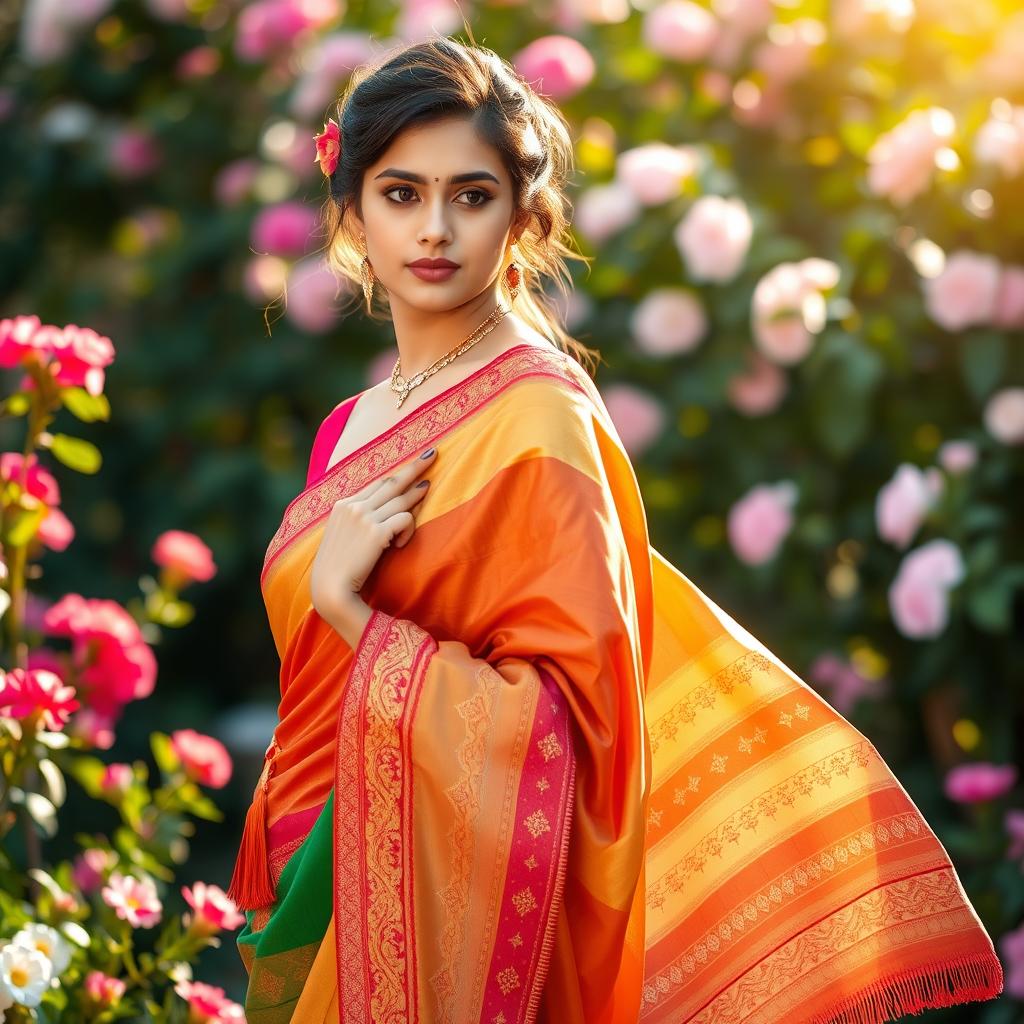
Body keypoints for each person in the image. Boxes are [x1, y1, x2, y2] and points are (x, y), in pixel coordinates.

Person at [228, 35, 1003, 1024]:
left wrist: (347, 607)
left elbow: (570, 729)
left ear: (522, 212)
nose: (433, 229)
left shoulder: (539, 418)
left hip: (463, 912)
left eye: (470, 195)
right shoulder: (350, 427)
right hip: (329, 869)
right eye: (399, 192)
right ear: (352, 209)